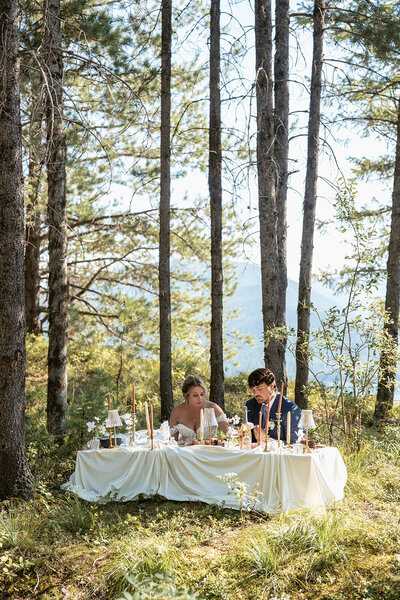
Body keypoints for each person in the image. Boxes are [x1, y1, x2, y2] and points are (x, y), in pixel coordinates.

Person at [245, 367, 302, 444]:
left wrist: (267, 440)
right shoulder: (250, 405)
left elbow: (295, 442)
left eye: (259, 389)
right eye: (253, 390)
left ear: (271, 386)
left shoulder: (290, 409)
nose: (255, 394)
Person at [170, 375, 229, 443]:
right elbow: (173, 443)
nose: (200, 398)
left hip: (210, 450)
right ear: (186, 395)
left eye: (202, 394)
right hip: (186, 451)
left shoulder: (213, 408)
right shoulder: (177, 411)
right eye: (195, 395)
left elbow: (229, 433)